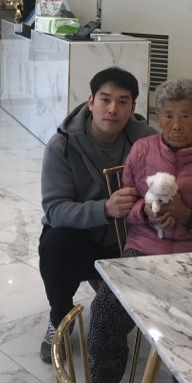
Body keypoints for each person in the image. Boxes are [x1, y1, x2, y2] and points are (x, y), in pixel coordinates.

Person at [86, 77, 192, 383]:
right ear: (158, 118)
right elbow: (127, 206)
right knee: (103, 313)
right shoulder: (142, 150)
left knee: (191, 334)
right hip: (143, 252)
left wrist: (189, 216)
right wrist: (145, 213)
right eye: (169, 116)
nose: (176, 125)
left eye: (186, 116)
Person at [38, 66, 156, 362]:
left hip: (131, 238)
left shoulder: (149, 141)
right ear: (90, 102)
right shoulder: (62, 145)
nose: (113, 109)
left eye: (122, 102)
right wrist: (104, 209)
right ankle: (59, 317)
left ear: (133, 107)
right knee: (55, 244)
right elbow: (54, 209)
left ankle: (118, 295)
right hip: (83, 239)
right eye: (105, 99)